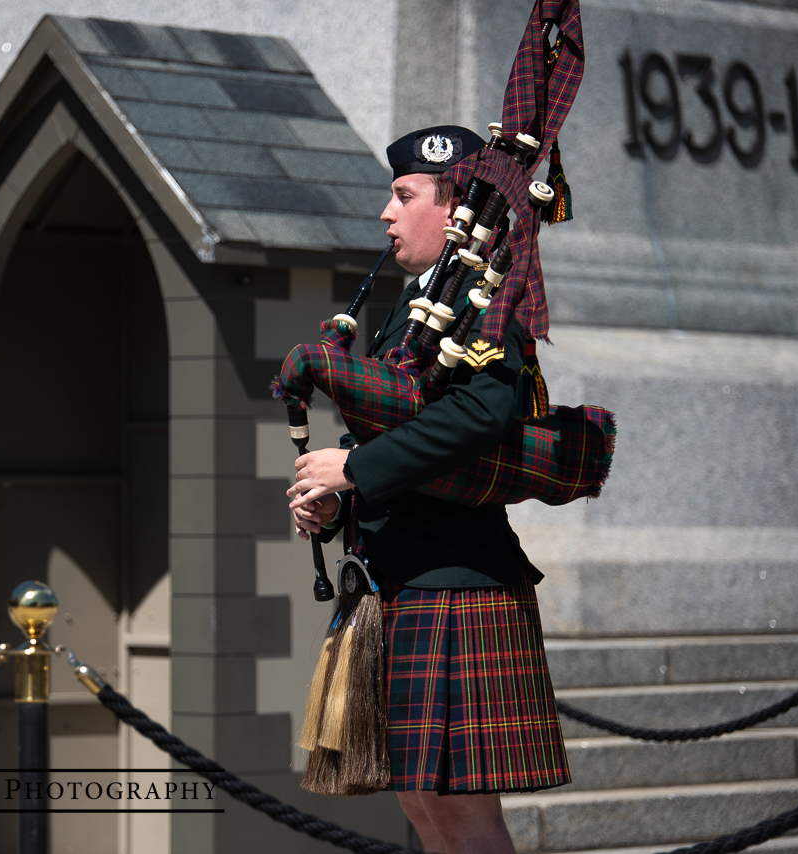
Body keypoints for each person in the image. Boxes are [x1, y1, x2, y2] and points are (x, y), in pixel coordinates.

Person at [288, 126, 570, 854]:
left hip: (457, 583)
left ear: (452, 211)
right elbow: (398, 434)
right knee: (420, 803)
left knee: (458, 808)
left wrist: (353, 471)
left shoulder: (488, 297)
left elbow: (485, 413)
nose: (386, 211)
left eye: (403, 195)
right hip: (399, 582)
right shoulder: (408, 315)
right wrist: (338, 498)